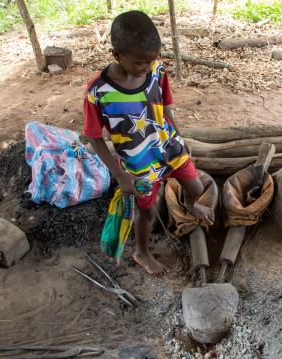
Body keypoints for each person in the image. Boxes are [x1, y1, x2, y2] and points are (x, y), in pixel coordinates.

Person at [83, 10, 215, 276]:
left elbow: (165, 107)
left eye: (151, 61)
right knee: (149, 213)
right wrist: (119, 175)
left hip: (167, 145)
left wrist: (178, 135)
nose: (146, 68)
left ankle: (190, 204)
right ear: (117, 54)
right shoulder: (98, 92)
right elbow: (94, 136)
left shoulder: (157, 71)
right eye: (140, 63)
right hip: (137, 162)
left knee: (196, 186)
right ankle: (141, 252)